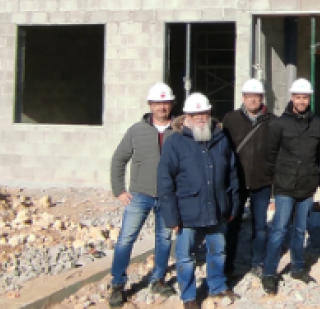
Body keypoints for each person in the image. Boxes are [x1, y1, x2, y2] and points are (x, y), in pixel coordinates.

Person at [157, 93, 240, 307]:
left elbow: (232, 174)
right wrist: (171, 216)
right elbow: (165, 181)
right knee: (185, 257)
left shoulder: (221, 139)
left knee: (218, 251)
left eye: (204, 113)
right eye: (196, 114)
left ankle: (218, 287)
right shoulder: (174, 142)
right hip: (188, 211)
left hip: (217, 207)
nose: (201, 117)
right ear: (187, 116)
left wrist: (233, 204)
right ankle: (189, 296)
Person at [107, 83, 178, 307]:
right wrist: (119, 190)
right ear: (150, 105)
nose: (162, 107)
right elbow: (119, 159)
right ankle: (118, 284)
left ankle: (158, 279)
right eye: (157, 103)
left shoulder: (178, 131)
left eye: (165, 102)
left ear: (171, 104)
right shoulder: (136, 131)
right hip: (140, 195)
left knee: (164, 239)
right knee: (126, 239)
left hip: (168, 196)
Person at [262, 78, 320, 295]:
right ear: (292, 98)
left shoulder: (318, 124)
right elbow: (270, 156)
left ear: (309, 98)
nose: (301, 101)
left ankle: (297, 267)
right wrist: (272, 191)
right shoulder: (279, 124)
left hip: (306, 187)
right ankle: (269, 272)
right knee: (279, 230)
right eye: (298, 97)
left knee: (300, 231)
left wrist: (316, 178)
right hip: (284, 186)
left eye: (305, 97)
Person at [220, 78, 277, 277]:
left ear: (262, 98)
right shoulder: (230, 119)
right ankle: (228, 264)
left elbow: (277, 153)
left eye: (256, 96)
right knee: (232, 223)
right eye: (249, 96)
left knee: (260, 226)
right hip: (237, 182)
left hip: (262, 182)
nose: (253, 100)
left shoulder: (273, 121)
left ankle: (257, 263)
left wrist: (274, 186)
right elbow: (222, 150)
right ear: (243, 98)